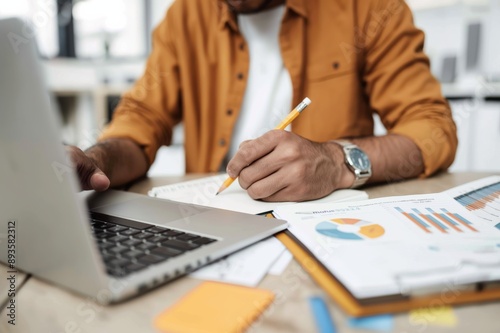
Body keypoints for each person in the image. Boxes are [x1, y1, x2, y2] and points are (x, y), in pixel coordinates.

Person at [68, 0, 457, 202]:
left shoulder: (367, 9)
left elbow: (433, 132)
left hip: (326, 226)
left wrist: (337, 162)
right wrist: (97, 160)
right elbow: (141, 122)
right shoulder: (186, 17)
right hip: (214, 219)